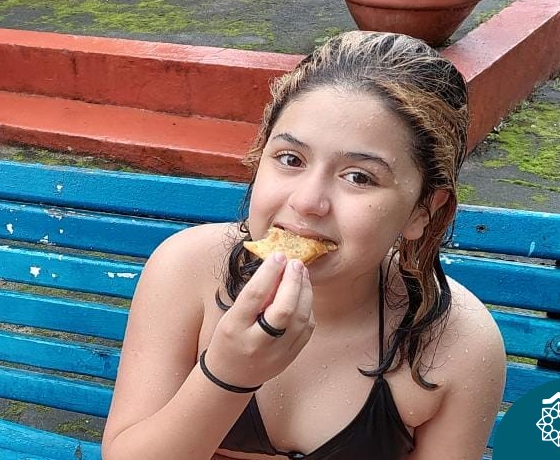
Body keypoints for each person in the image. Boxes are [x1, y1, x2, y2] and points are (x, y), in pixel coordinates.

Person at [101, 32, 506, 459]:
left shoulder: (459, 344)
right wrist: (227, 376)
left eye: (359, 177)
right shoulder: (187, 269)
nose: (307, 202)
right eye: (290, 159)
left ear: (423, 209)